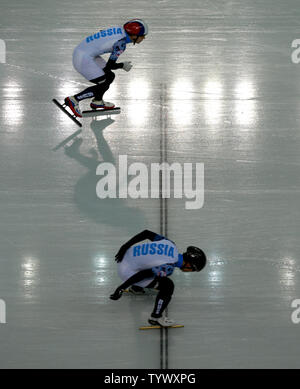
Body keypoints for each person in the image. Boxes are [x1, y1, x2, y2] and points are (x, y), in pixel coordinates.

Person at [110, 230, 206, 327]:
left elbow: (146, 233)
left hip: (125, 254)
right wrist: (121, 288)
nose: (190, 272)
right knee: (168, 286)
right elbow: (143, 274)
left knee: (154, 267)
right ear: (189, 265)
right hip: (126, 271)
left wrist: (125, 246)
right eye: (193, 270)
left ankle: (136, 288)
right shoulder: (169, 266)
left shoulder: (170, 243)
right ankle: (155, 318)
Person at [64, 19, 148, 117]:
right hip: (83, 58)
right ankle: (74, 99)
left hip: (85, 52)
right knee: (103, 83)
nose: (144, 38)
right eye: (142, 36)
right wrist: (122, 65)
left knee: (109, 76)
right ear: (134, 36)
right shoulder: (121, 43)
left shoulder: (118, 30)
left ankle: (97, 101)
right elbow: (110, 66)